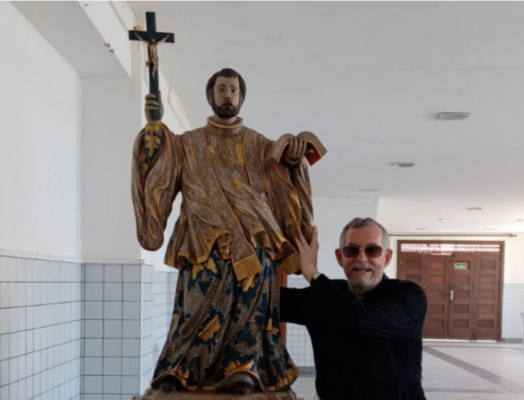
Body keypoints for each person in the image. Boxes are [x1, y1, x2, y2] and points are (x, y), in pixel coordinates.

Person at [131, 68, 325, 395]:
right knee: (193, 309)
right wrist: (153, 132)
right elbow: (158, 178)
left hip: (253, 250)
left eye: (233, 89)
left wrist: (293, 159)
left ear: (241, 97)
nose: (227, 95)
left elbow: (284, 187)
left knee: (249, 312)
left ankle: (245, 367)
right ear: (211, 96)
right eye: (221, 88)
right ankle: (180, 368)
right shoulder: (185, 144)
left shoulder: (261, 146)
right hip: (201, 246)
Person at [280, 218, 427, 400]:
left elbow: (359, 319)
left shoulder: (407, 296)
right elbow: (269, 301)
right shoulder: (325, 295)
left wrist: (313, 274)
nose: (362, 258)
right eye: (352, 250)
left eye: (372, 250)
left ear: (387, 257)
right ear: (340, 258)